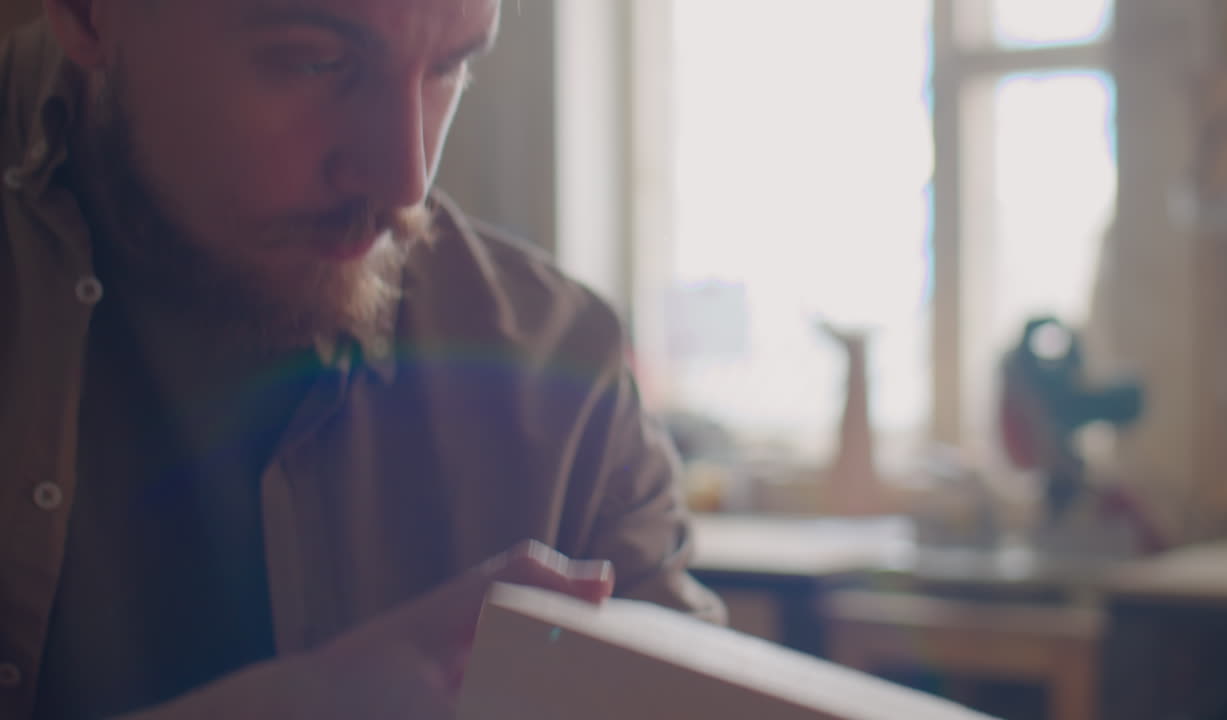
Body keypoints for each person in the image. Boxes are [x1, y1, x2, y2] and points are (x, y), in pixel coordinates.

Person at [0, 1, 724, 718]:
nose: (406, 181)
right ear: (90, 15)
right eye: (315, 61)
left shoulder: (561, 373)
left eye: (451, 67)